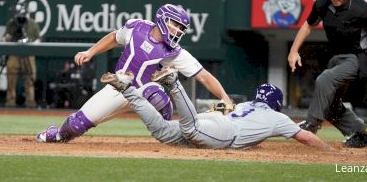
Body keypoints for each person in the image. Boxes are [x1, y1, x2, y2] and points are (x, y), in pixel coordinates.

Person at [36, 4, 233, 143]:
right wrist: (90, 52)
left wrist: (224, 97)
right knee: (76, 126)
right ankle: (59, 134)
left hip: (143, 92)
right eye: (175, 24)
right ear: (163, 20)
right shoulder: (137, 27)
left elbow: (203, 75)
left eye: (181, 28)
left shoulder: (174, 52)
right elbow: (114, 37)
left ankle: (173, 138)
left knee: (157, 94)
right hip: (118, 88)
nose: (178, 31)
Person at [99, 68, 333, 150]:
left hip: (214, 121)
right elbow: (306, 137)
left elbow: (220, 108)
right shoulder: (278, 117)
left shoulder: (245, 105)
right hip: (223, 133)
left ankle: (126, 88)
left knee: (161, 131)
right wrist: (329, 151)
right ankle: (173, 82)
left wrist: (210, 111)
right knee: (191, 128)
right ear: (276, 103)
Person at [287, 0, 367, 148]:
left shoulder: (361, 9)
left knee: (324, 79)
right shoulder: (322, 3)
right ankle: (364, 134)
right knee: (329, 105)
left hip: (359, 57)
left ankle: (311, 124)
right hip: (337, 58)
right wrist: (293, 51)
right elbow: (307, 26)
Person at [3, 3, 41, 108]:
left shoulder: (32, 23)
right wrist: (10, 38)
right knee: (11, 78)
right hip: (14, 53)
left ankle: (30, 103)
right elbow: (5, 38)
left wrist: (31, 45)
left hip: (28, 54)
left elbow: (38, 39)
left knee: (30, 79)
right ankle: (10, 102)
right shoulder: (12, 23)